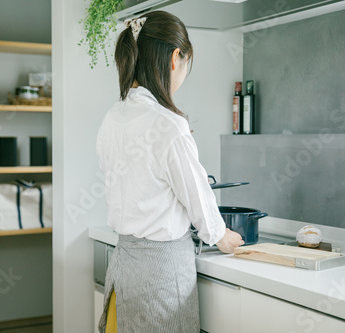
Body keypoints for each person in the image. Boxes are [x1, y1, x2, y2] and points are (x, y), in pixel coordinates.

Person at [96, 10, 244, 333]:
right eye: (185, 67)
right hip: (161, 282)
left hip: (122, 271)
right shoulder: (168, 124)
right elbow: (199, 201)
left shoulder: (112, 117)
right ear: (175, 58)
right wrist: (223, 235)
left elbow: (139, 181)